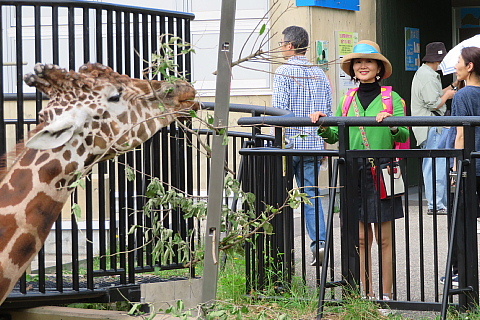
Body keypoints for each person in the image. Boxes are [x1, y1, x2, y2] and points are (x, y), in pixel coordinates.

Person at [310, 40, 409, 299]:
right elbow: (334, 135)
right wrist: (323, 123)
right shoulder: (346, 98)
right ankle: (365, 296)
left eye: (368, 61)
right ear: (352, 69)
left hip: (383, 171)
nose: (362, 66)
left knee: (385, 239)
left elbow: (405, 135)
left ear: (379, 68)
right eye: (357, 62)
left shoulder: (392, 98)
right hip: (353, 172)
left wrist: (393, 124)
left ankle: (386, 297)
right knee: (362, 240)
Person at [273, 26, 333, 266]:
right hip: (314, 143)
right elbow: (327, 111)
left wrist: (276, 141)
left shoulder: (283, 72)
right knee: (312, 194)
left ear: (289, 45)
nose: (280, 47)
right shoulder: (320, 73)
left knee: (280, 196)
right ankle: (319, 243)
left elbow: (278, 111)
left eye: (281, 43)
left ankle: (281, 250)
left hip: (291, 144)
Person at [443, 46, 480, 286]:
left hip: (469, 166)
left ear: (470, 66)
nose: (456, 65)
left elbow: (460, 135)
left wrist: (456, 168)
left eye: (459, 61)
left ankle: (459, 273)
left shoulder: (464, 96)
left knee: (461, 220)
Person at [411, 42, 456, 215]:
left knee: (435, 164)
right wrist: (449, 95)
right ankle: (436, 205)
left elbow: (436, 96)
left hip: (430, 127)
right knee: (435, 165)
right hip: (431, 127)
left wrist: (452, 87)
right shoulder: (428, 76)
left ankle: (438, 203)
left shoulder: (426, 73)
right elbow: (435, 103)